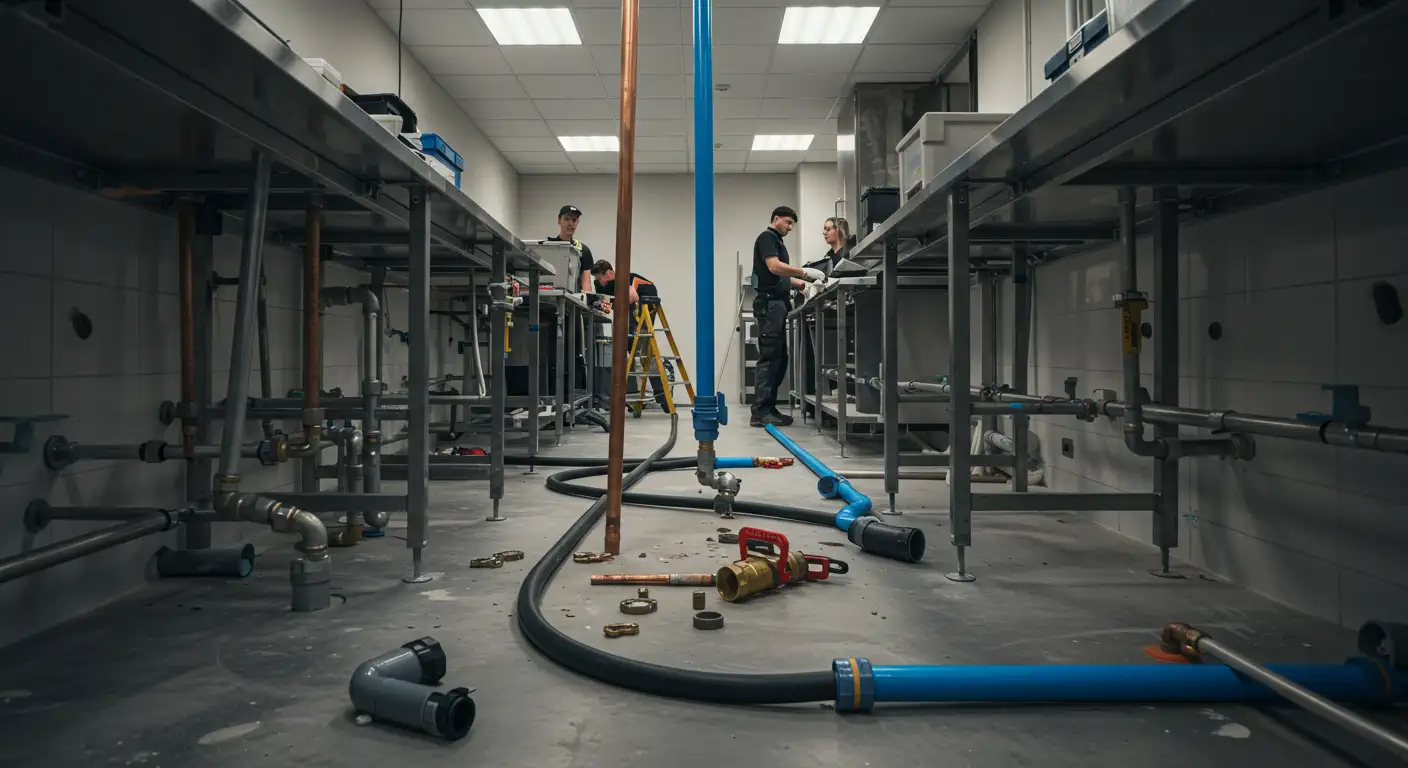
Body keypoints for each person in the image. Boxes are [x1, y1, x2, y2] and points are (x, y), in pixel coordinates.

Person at [751, 206, 825, 428]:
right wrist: (803, 271)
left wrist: (803, 284)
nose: (790, 227)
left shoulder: (778, 242)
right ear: (776, 219)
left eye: (792, 224)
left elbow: (779, 277)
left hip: (777, 305)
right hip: (770, 305)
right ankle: (760, 412)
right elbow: (774, 268)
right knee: (770, 357)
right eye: (788, 222)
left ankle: (769, 408)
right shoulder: (767, 238)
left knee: (779, 358)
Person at [591, 260, 671, 412]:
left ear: (610, 272)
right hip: (631, 305)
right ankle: (639, 395)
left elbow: (631, 297)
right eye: (597, 279)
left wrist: (610, 302)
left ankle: (660, 397)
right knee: (629, 347)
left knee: (644, 351)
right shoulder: (599, 283)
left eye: (602, 278)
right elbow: (603, 301)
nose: (601, 282)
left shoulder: (626, 278)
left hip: (646, 300)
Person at [546, 205, 596, 294]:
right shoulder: (548, 247)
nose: (570, 223)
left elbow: (586, 283)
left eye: (574, 220)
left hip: (574, 299)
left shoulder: (583, 250)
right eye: (566, 219)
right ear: (559, 221)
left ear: (577, 222)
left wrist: (588, 300)